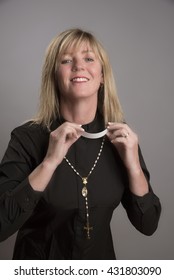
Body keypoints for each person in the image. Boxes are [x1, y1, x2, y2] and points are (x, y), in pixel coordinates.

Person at [0, 28, 161, 260]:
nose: (79, 66)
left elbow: (148, 224)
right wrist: (49, 163)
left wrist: (133, 166)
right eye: (66, 60)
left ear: (102, 75)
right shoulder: (26, 138)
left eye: (88, 58)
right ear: (54, 75)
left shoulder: (121, 138)